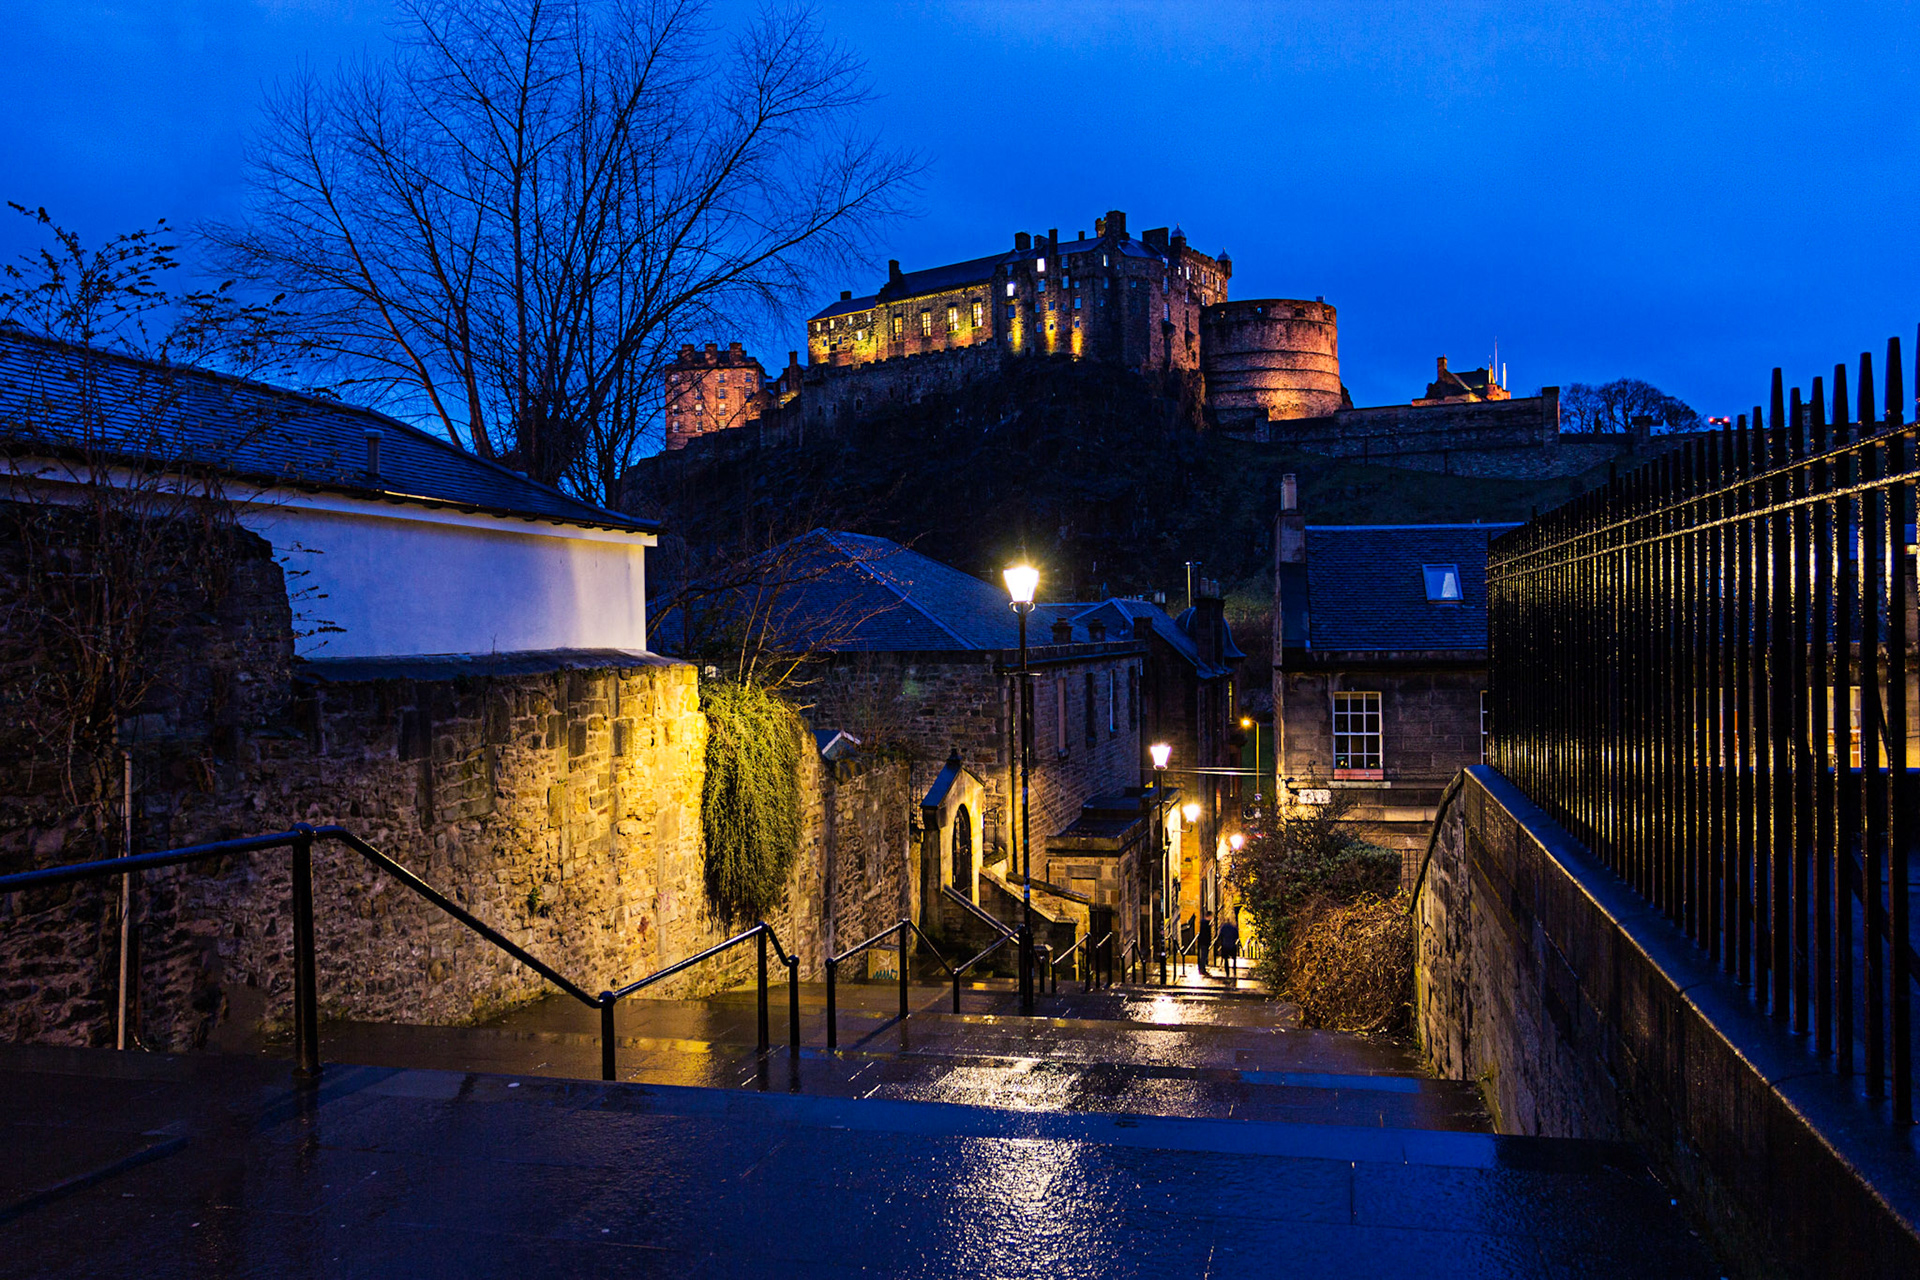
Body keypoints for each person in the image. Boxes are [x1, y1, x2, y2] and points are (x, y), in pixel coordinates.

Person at [1217, 915, 1240, 981]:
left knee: (1226, 959)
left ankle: (1227, 973)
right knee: (1234, 959)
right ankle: (1234, 970)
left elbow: (1220, 936)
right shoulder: (1234, 928)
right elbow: (1237, 936)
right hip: (1232, 945)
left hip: (1225, 945)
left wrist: (1221, 943)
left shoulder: (1223, 928)